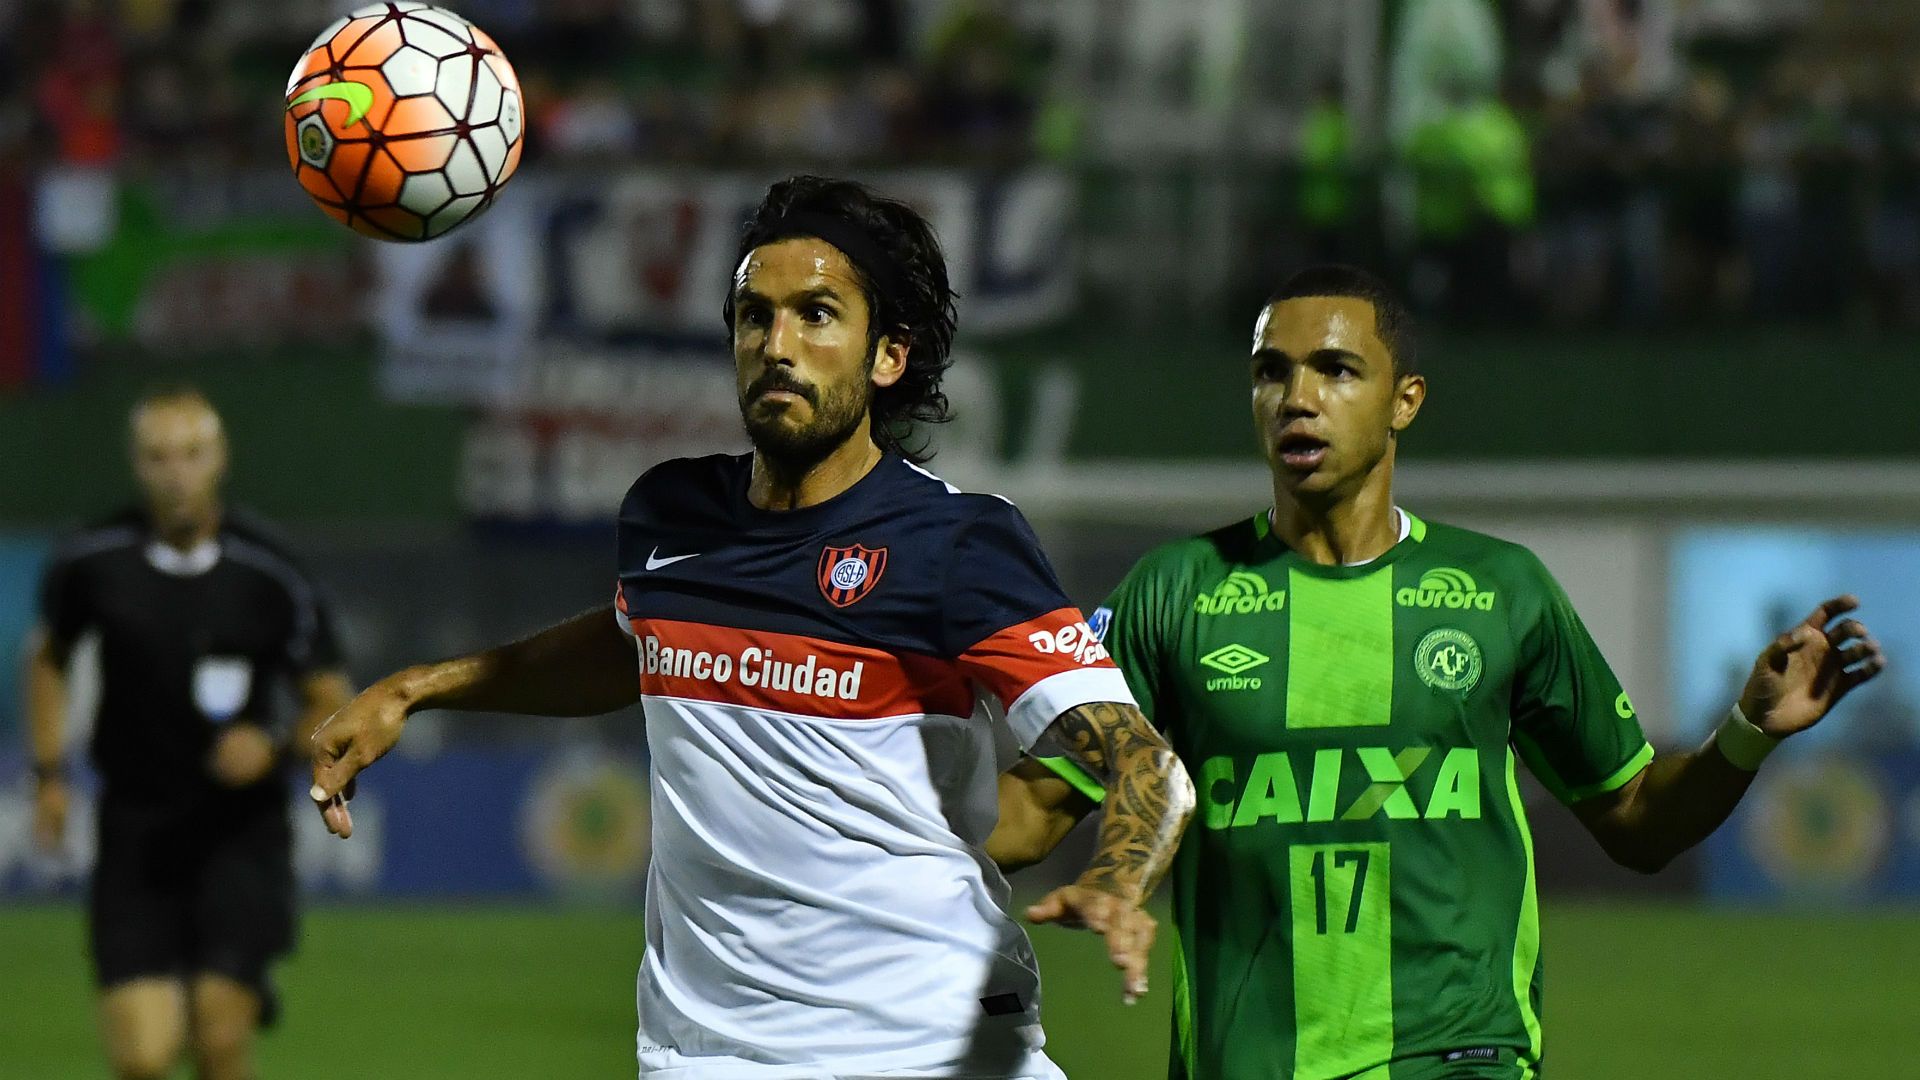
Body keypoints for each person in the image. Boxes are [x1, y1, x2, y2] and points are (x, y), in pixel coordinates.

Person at [308, 174, 1196, 1079]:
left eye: (817, 314)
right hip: (714, 1055)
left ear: (887, 355)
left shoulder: (956, 544)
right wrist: (417, 689)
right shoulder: (672, 513)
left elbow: (1142, 762)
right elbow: (633, 647)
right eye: (753, 316)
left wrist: (1118, 882)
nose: (779, 345)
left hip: (932, 1043)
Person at [990, 264, 1887, 1080]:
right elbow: (1032, 812)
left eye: (1337, 371)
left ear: (1403, 400)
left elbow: (1637, 821)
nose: (1298, 398)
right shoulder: (1173, 591)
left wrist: (1748, 732)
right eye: (1274, 372)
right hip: (1250, 1063)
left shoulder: (1501, 590)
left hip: (1462, 1056)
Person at [26, 386, 353, 1080]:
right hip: (136, 828)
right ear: (137, 465)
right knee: (143, 1056)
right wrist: (49, 774)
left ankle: (237, 993)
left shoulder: (270, 572)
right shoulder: (93, 561)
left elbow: (333, 701)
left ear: (221, 459)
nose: (176, 472)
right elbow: (49, 660)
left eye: (192, 454)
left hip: (240, 831)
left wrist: (271, 744)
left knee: (218, 1039)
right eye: (158, 456)